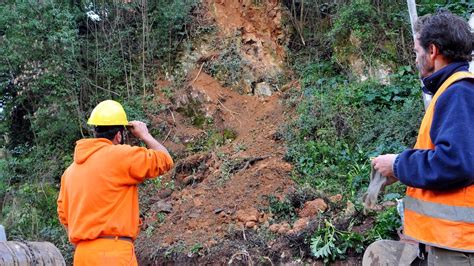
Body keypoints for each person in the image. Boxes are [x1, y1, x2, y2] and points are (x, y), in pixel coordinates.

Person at [364, 11, 474, 265]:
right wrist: (400, 170)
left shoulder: (458, 92)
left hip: (459, 247)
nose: (415, 59)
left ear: (432, 51)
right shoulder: (454, 91)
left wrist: (398, 164)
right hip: (452, 242)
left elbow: (455, 162)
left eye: (416, 52)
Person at [57, 100, 174, 265]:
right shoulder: (120, 156)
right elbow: (165, 159)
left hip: (82, 256)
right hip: (114, 254)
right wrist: (144, 135)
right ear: (119, 135)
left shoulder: (69, 172)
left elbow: (63, 215)